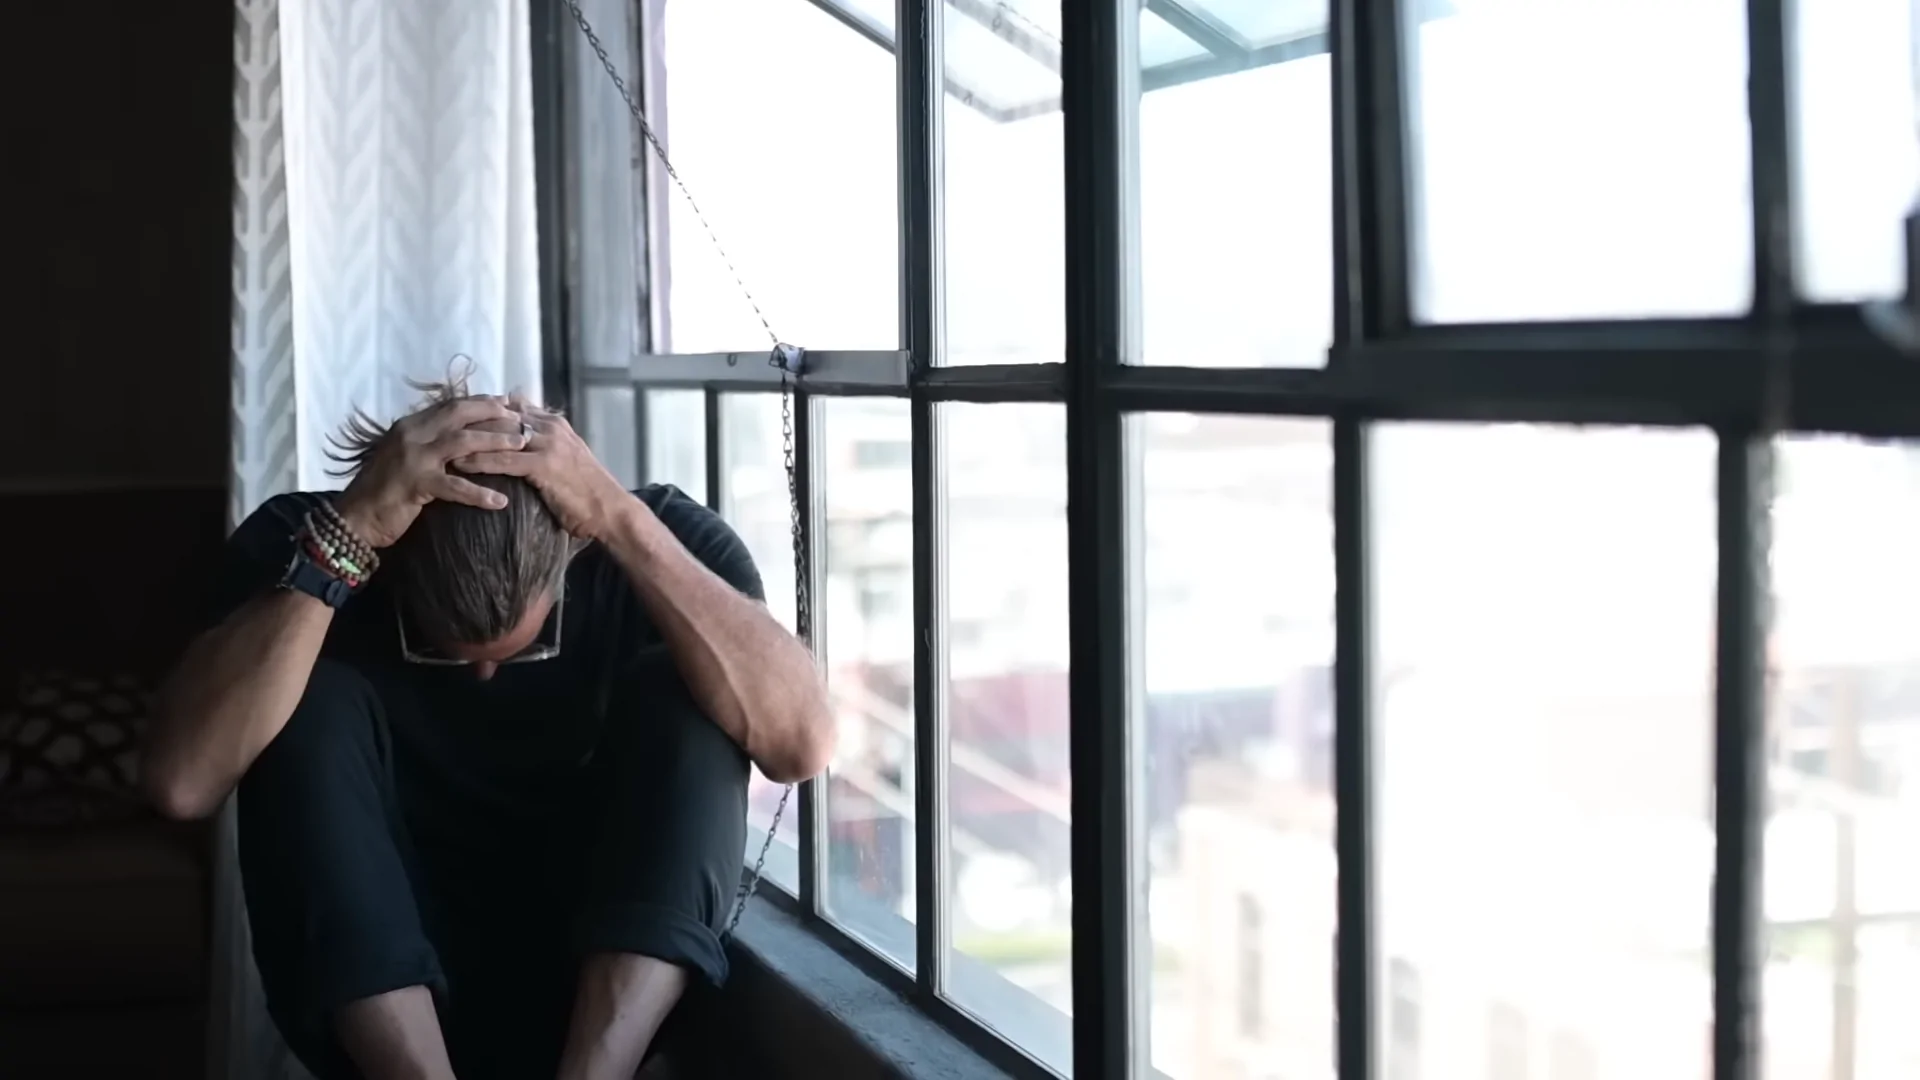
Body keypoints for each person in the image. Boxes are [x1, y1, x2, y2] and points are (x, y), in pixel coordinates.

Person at [141, 380, 834, 1080]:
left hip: (599, 993)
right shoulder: (307, 546)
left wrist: (619, 520)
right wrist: (338, 551)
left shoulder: (645, 537)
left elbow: (801, 745)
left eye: (522, 651)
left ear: (572, 556)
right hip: (375, 994)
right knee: (296, 685)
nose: (483, 680)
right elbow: (181, 785)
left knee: (687, 687)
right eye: (442, 650)